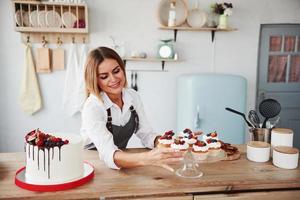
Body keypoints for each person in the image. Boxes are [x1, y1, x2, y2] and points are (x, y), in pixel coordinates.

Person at [80, 47, 183, 169]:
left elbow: (146, 134)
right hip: (93, 165)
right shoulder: (93, 107)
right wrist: (147, 158)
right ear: (95, 80)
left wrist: (167, 143)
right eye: (104, 76)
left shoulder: (132, 96)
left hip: (123, 161)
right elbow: (108, 153)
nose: (113, 79)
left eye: (116, 71)